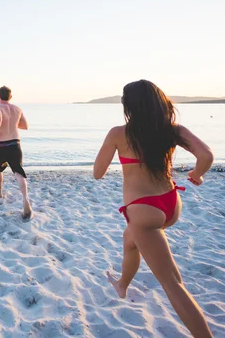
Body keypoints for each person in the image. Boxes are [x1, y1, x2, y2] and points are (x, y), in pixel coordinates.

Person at [93, 80, 214, 337]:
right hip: (170, 204)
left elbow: (97, 173)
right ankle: (122, 285)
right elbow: (206, 156)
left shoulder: (118, 133)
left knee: (173, 284)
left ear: (129, 107)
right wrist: (197, 174)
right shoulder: (172, 130)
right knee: (130, 240)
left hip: (144, 210)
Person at [0, 86, 32, 219]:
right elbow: (25, 126)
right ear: (11, 97)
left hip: (2, 145)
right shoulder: (17, 109)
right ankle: (25, 199)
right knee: (18, 172)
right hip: (15, 144)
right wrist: (13, 123)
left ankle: (0, 192)